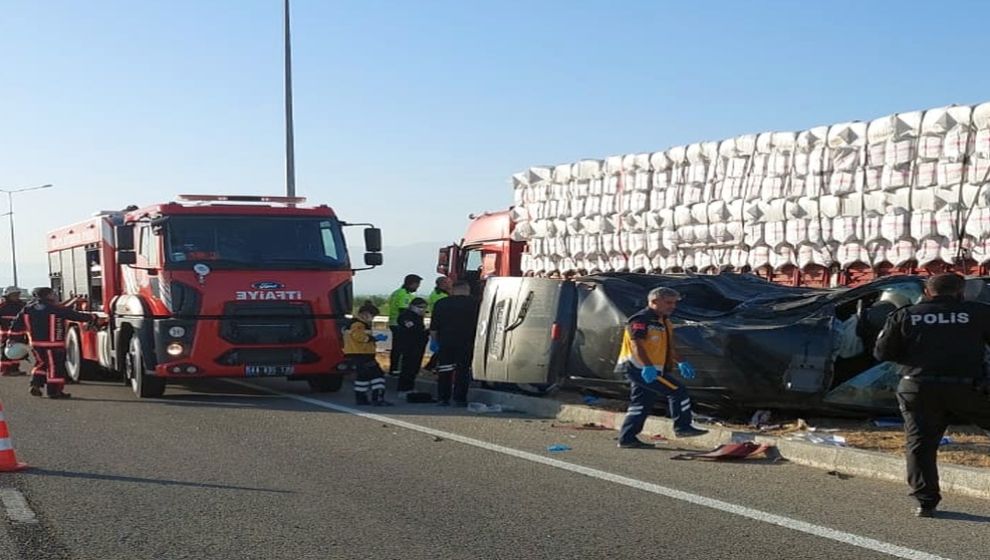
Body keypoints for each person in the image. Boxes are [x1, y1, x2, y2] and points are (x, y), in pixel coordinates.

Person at [874, 273, 990, 518]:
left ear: (927, 292)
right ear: (961, 292)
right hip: (968, 388)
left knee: (920, 444)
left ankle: (926, 502)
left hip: (918, 387)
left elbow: (882, 353)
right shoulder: (979, 312)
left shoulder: (905, 315)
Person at [615, 286, 707, 448]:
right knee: (678, 392)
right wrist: (648, 366)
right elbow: (637, 345)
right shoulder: (640, 320)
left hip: (651, 369)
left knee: (641, 404)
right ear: (654, 301)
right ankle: (682, 427)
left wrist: (681, 361)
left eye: (674, 303)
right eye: (668, 303)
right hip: (638, 368)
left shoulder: (665, 322)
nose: (672, 306)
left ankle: (627, 438)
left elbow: (668, 348)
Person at [9, 287, 97, 399]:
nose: (55, 296)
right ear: (48, 296)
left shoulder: (27, 309)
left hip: (36, 344)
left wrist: (13, 339)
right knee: (55, 367)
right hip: (54, 344)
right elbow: (74, 315)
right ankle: (54, 391)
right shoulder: (54, 308)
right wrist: (92, 317)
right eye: (53, 294)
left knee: (41, 363)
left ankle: (35, 384)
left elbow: (16, 324)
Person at [429, 281, 479, 406]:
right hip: (467, 342)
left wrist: (434, 341)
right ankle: (460, 399)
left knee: (445, 369)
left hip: (445, 341)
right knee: (463, 370)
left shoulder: (441, 303)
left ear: (453, 290)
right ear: (467, 290)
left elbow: (434, 326)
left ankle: (443, 398)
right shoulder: (476, 303)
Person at [343, 301, 391, 406]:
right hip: (362, 355)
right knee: (378, 375)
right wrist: (372, 338)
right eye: (372, 316)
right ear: (365, 314)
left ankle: (361, 399)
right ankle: (378, 398)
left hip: (356, 354)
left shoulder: (353, 323)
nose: (372, 318)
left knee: (362, 378)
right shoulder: (358, 324)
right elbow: (359, 337)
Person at [387, 274, 422, 375]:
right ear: (412, 283)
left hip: (394, 323)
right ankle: (396, 369)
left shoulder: (397, 292)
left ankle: (394, 368)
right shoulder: (403, 294)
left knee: (397, 348)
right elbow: (404, 311)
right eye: (417, 285)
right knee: (400, 348)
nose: (418, 287)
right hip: (400, 325)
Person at [394, 297, 429, 398]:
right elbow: (412, 329)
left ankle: (409, 387)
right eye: (420, 307)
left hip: (418, 346)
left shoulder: (418, 317)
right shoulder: (406, 316)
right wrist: (424, 332)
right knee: (407, 367)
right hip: (409, 346)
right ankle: (403, 388)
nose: (422, 310)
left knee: (414, 368)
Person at [423, 277, 452, 372]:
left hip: (439, 323)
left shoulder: (436, 293)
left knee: (441, 347)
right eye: (448, 282)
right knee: (442, 347)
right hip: (441, 323)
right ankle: (432, 366)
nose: (450, 284)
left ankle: (431, 365)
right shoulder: (440, 295)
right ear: (442, 284)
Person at [0, 287, 27, 376]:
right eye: (14, 295)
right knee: (6, 353)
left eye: (17, 294)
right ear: (7, 296)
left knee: (17, 351)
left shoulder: (22, 305)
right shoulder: (2, 307)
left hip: (20, 333)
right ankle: (5, 370)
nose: (16, 296)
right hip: (6, 334)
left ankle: (15, 369)